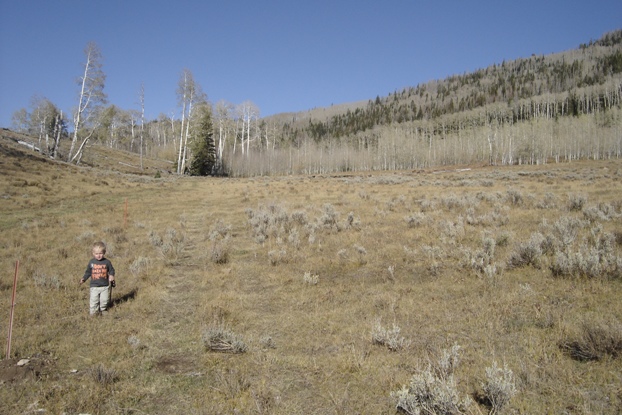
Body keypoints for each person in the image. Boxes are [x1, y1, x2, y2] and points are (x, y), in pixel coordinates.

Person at [80, 241, 116, 316]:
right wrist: (84, 279)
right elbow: (88, 272)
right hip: (94, 286)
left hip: (105, 286)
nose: (98, 255)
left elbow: (112, 270)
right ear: (93, 253)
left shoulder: (107, 262)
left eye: (100, 253)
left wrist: (111, 276)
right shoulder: (91, 262)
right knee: (94, 300)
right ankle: (93, 313)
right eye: (96, 254)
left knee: (104, 300)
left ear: (104, 253)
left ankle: (103, 309)